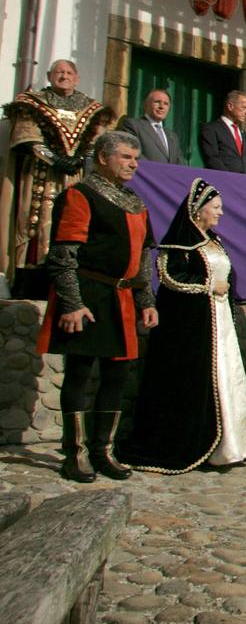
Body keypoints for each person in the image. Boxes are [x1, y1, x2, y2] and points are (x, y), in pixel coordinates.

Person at [37, 131, 157, 482]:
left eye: (135, 158)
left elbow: (143, 258)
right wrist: (72, 304)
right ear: (103, 158)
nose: (133, 163)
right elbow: (63, 254)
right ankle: (75, 453)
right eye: (125, 156)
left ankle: (104, 450)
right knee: (80, 371)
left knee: (116, 376)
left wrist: (145, 299)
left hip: (122, 299)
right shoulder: (80, 196)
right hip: (89, 295)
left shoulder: (135, 202)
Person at [119, 178, 246, 473]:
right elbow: (170, 277)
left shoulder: (215, 242)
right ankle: (197, 442)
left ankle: (231, 445)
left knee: (226, 378)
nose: (221, 213)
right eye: (216, 208)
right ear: (199, 210)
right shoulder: (181, 244)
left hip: (218, 322)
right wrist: (209, 285)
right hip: (191, 328)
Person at [1, 59, 104, 282]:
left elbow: (96, 141)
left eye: (68, 72)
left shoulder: (90, 108)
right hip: (40, 174)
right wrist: (55, 159)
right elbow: (27, 137)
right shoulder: (34, 102)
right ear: (49, 76)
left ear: (76, 78)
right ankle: (29, 277)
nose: (64, 76)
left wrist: (81, 159)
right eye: (59, 72)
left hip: (75, 177)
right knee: (34, 222)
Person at [118, 90, 186, 165]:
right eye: (157, 102)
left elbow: (180, 162)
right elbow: (133, 153)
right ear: (145, 105)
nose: (161, 107)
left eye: (166, 104)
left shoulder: (172, 136)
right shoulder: (133, 125)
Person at [199, 90, 246, 175]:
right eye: (244, 107)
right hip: (222, 182)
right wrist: (229, 179)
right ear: (230, 106)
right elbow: (212, 158)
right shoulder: (211, 129)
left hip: (244, 185)